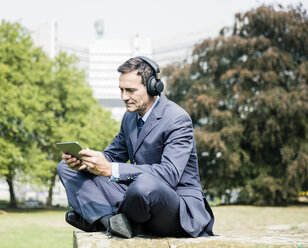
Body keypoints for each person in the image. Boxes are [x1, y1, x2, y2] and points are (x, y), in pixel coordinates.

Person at [57, 56, 214, 238]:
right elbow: (112, 156)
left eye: (130, 90)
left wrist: (109, 169)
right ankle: (108, 220)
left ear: (153, 87)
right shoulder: (130, 118)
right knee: (66, 169)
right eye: (121, 90)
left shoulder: (178, 119)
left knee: (143, 184)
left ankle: (98, 217)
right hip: (136, 197)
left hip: (173, 204)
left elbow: (169, 174)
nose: (124, 97)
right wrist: (87, 160)